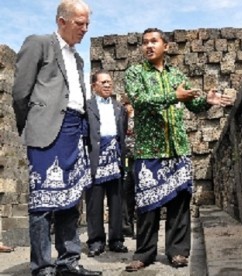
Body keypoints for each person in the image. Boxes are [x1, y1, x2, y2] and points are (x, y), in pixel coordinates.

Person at [123, 27, 233, 272]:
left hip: (177, 148)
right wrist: (175, 96)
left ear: (166, 46)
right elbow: (141, 100)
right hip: (150, 151)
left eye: (154, 41)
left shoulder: (177, 75)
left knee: (179, 203)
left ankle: (178, 252)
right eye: (145, 42)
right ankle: (144, 253)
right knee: (147, 205)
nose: (148, 46)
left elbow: (192, 104)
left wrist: (206, 100)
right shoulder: (134, 73)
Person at [12, 0, 101, 275]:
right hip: (47, 129)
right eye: (79, 23)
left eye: (87, 23)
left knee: (71, 199)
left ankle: (68, 261)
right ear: (62, 21)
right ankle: (42, 266)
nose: (85, 29)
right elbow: (20, 93)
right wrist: (33, 126)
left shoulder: (78, 58)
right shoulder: (38, 43)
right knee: (42, 201)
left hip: (75, 130)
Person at [85, 70, 128, 257]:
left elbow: (122, 132)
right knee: (94, 203)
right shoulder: (87, 107)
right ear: (94, 86)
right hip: (95, 158)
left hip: (115, 158)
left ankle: (116, 239)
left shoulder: (119, 108)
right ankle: (96, 241)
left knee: (117, 201)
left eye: (109, 82)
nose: (107, 85)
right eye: (103, 82)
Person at [121, 96, 136, 239]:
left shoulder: (138, 119)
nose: (126, 107)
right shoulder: (122, 119)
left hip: (137, 158)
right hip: (126, 159)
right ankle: (127, 226)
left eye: (127, 104)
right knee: (126, 194)